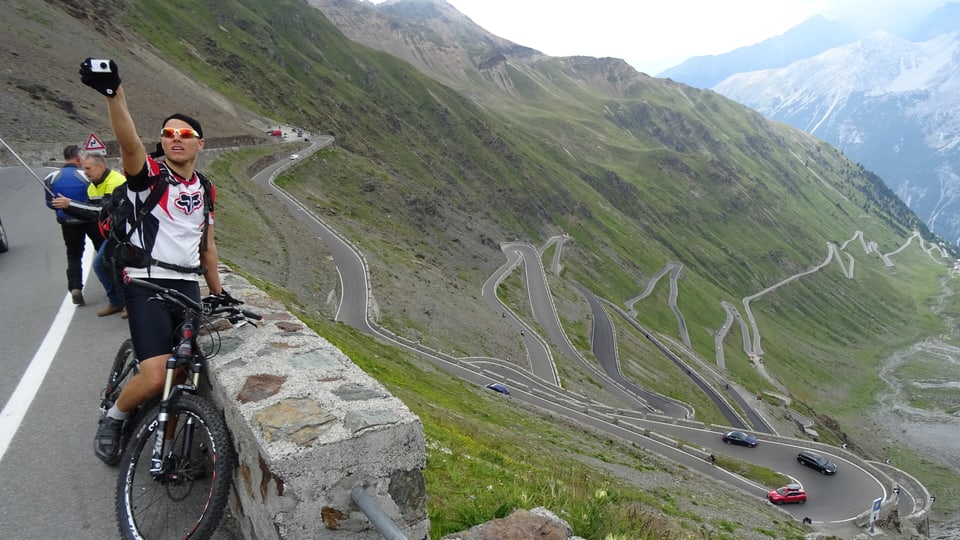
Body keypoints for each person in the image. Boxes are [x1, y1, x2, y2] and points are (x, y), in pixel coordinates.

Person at [80, 58, 229, 464]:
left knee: (181, 372)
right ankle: (113, 417)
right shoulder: (148, 176)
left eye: (185, 134)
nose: (175, 139)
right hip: (145, 282)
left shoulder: (206, 188)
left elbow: (207, 246)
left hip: (185, 286)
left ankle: (165, 444)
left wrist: (220, 294)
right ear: (161, 142)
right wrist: (115, 94)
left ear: (201, 143)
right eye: (168, 133)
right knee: (155, 374)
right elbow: (128, 143)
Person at [55, 153, 128, 316]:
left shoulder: (116, 182)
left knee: (118, 265)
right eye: (83, 168)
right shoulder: (92, 186)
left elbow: (104, 209)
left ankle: (128, 303)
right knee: (101, 264)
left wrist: (70, 204)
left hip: (128, 233)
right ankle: (116, 302)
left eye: (88, 168)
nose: (85, 172)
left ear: (101, 167)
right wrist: (68, 209)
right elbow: (91, 212)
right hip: (114, 234)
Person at [45, 144, 102, 305]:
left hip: (67, 222)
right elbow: (95, 196)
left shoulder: (50, 177)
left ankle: (75, 288)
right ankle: (114, 286)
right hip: (90, 220)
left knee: (73, 255)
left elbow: (50, 202)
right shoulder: (86, 175)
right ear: (78, 158)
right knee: (103, 249)